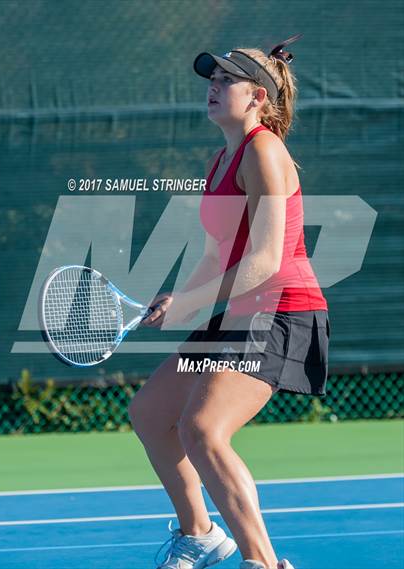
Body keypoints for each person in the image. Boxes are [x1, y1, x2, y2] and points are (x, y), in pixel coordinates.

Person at [129, 34, 330, 569]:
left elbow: (265, 259)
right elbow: (221, 255)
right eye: (211, 80)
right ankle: (199, 534)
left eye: (226, 80)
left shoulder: (264, 150)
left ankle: (262, 562)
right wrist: (183, 299)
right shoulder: (222, 159)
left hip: (282, 310)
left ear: (258, 97)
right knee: (151, 413)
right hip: (242, 309)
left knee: (203, 430)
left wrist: (193, 300)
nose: (213, 88)